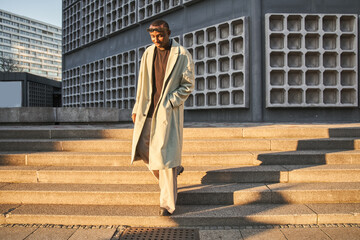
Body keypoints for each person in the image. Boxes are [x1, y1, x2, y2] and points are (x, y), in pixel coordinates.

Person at [130, 19, 195, 216]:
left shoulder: (182, 54)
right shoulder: (148, 53)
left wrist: (171, 101)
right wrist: (136, 107)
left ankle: (167, 204)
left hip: (166, 112)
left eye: (160, 36)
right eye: (153, 37)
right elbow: (141, 83)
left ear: (168, 33)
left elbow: (188, 84)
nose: (156, 40)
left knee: (164, 156)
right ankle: (175, 171)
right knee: (142, 149)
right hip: (147, 110)